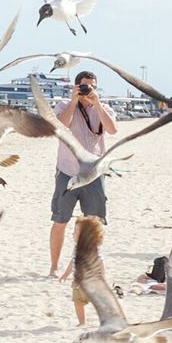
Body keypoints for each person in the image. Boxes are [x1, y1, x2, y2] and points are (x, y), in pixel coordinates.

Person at [48, 71, 117, 277]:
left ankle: (89, 264)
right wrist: (73, 102)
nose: (88, 90)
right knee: (60, 220)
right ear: (76, 86)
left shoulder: (103, 107)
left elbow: (112, 130)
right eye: (84, 86)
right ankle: (54, 267)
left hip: (94, 174)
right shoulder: (63, 105)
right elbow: (59, 126)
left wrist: (97, 104)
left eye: (91, 86)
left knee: (94, 223)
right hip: (67, 172)